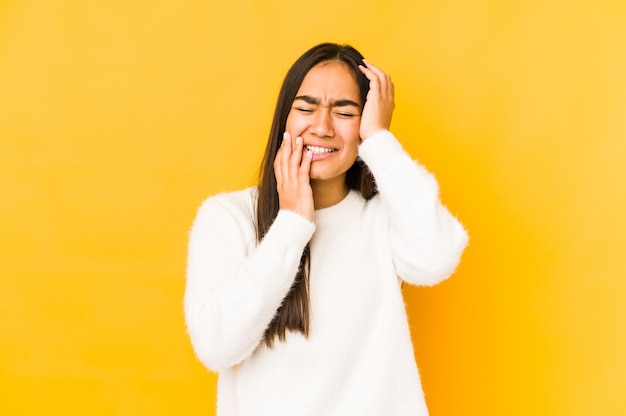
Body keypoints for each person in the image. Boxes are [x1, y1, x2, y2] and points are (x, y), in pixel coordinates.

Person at [184, 42, 468, 416]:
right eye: (306, 107)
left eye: (345, 112)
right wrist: (292, 224)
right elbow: (216, 344)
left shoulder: (382, 219)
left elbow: (436, 258)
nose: (321, 126)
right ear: (284, 118)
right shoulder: (228, 217)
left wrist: (380, 140)